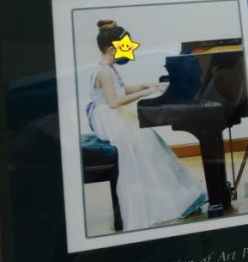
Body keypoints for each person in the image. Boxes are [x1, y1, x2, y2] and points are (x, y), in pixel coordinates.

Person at [87, 19, 206, 231]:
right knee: (147, 145)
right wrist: (145, 93)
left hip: (112, 115)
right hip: (109, 119)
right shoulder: (104, 71)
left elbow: (121, 89)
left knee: (151, 142)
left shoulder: (109, 68)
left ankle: (181, 195)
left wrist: (144, 85)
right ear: (111, 49)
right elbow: (114, 102)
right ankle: (172, 200)